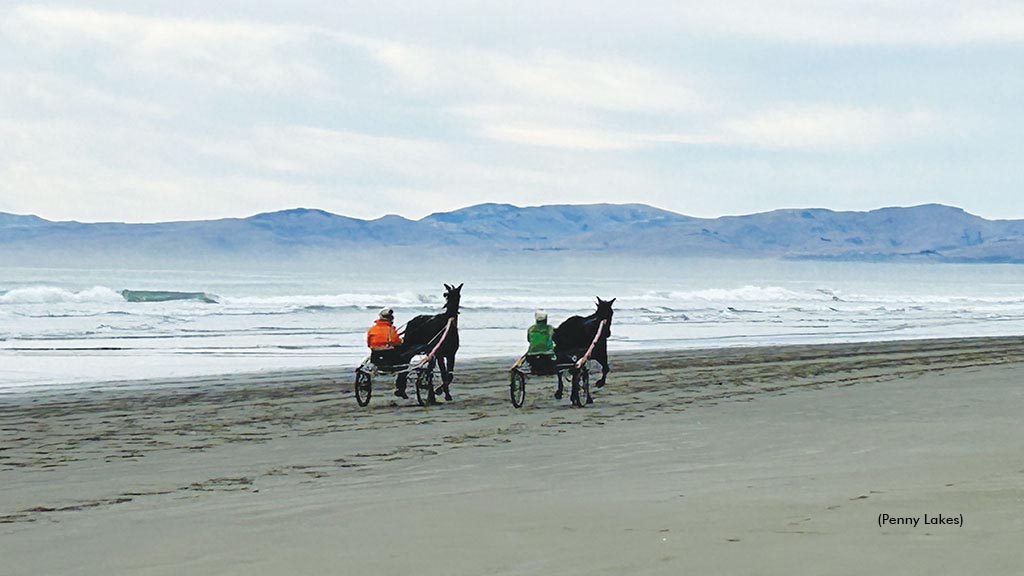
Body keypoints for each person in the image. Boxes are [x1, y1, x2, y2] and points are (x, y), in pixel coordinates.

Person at [366, 307, 409, 398]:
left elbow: (369, 343)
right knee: (405, 365)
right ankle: (400, 388)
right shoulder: (390, 329)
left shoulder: (372, 329)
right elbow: (396, 341)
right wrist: (401, 341)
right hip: (389, 355)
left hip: (375, 354)